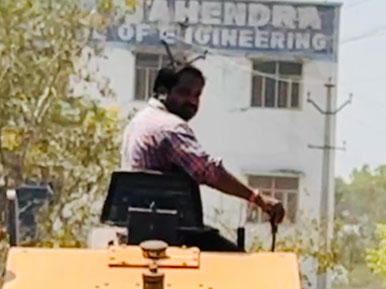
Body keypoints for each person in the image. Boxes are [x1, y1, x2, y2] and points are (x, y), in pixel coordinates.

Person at [122, 65, 286, 226]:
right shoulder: (170, 127)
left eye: (197, 95)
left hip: (136, 225)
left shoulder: (140, 120)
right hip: (165, 231)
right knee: (235, 254)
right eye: (184, 93)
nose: (192, 101)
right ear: (163, 92)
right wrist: (257, 198)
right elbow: (208, 172)